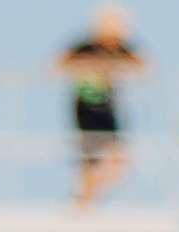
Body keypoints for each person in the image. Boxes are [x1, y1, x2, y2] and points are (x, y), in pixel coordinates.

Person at [59, 7, 144, 209]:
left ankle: (86, 198)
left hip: (108, 111)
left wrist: (121, 66)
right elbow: (59, 63)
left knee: (119, 162)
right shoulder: (86, 48)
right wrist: (90, 65)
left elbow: (145, 64)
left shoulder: (121, 50)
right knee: (90, 162)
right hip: (86, 111)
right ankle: (83, 201)